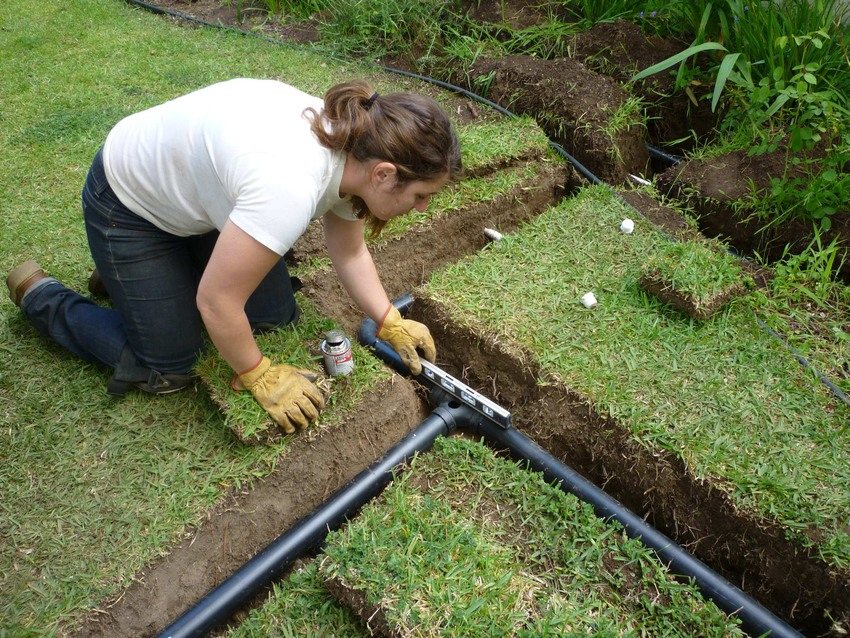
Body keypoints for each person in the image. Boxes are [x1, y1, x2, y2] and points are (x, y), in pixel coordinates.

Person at [6, 78, 461, 435]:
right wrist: (256, 372)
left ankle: (136, 278)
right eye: (421, 195)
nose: (422, 208)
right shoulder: (288, 186)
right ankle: (44, 296)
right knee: (170, 363)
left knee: (274, 316)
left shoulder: (356, 144)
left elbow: (349, 248)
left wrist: (387, 319)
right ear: (385, 174)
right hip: (128, 205)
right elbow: (217, 303)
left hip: (198, 203)